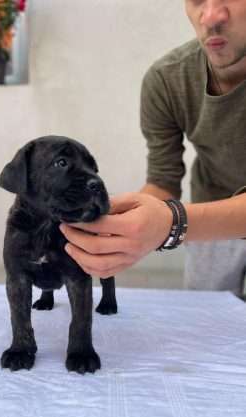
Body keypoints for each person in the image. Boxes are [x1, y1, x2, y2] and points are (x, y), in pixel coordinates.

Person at [60, 0, 246, 297]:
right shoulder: (167, 79)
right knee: (208, 326)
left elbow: (169, 217)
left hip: (198, 222)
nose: (210, 16)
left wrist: (171, 223)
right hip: (211, 218)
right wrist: (115, 224)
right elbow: (163, 180)